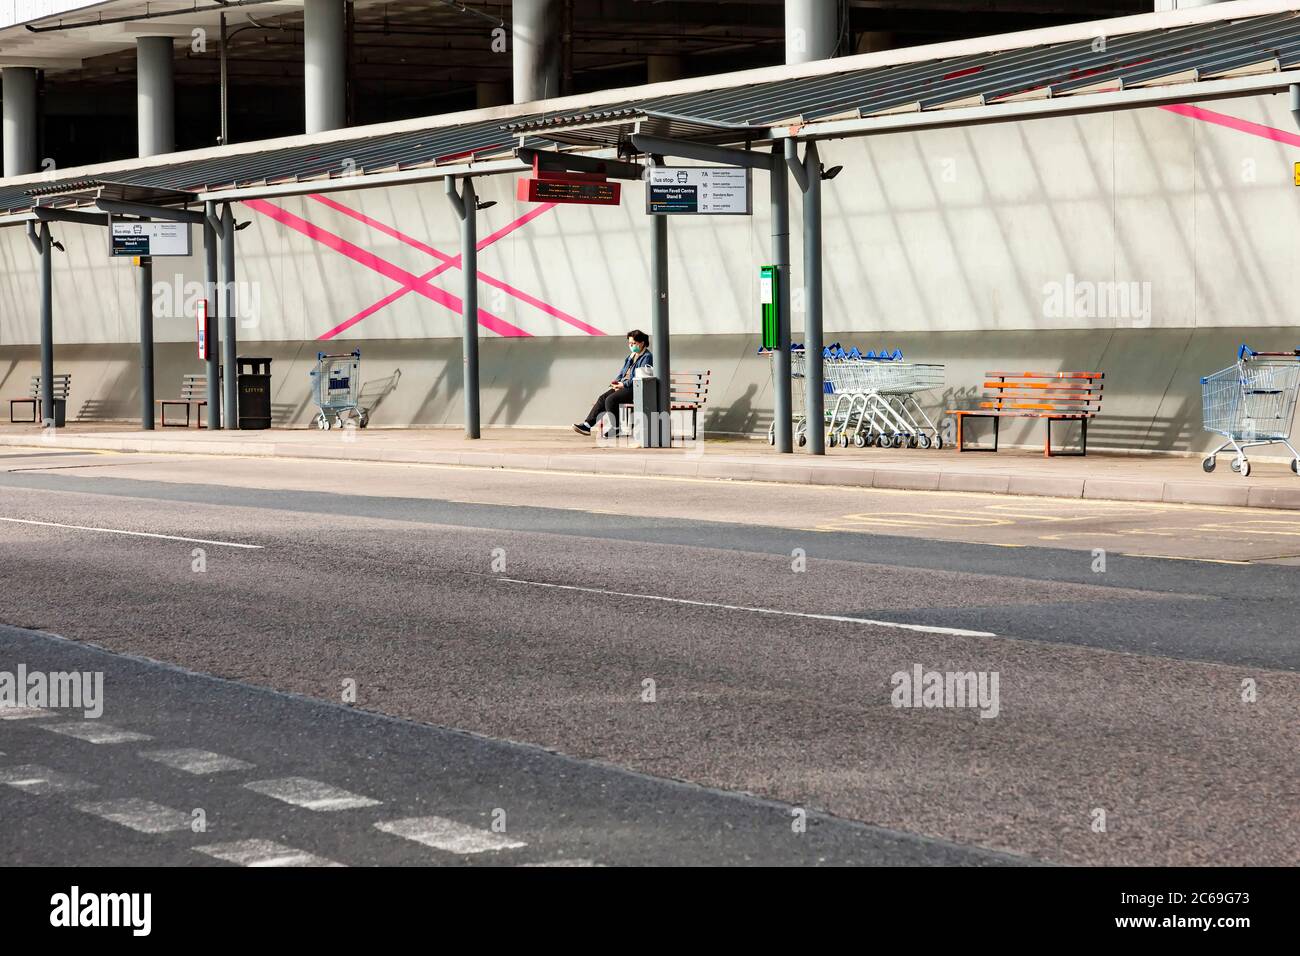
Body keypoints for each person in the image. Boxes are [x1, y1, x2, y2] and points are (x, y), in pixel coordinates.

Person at [574, 330, 653, 436]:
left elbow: (638, 377)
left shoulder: (647, 357)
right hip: (624, 386)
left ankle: (616, 428)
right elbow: (622, 372)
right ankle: (587, 425)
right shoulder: (631, 356)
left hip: (635, 388)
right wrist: (617, 382)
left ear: (642, 343)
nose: (631, 345)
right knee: (602, 398)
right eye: (629, 343)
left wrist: (623, 385)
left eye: (633, 343)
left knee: (611, 400)